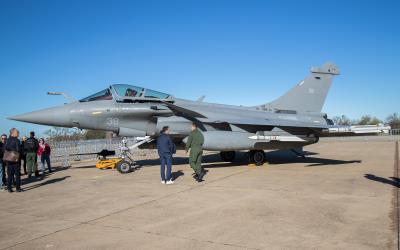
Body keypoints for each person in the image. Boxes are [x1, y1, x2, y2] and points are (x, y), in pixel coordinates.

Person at [4, 128, 22, 192]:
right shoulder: (17, 140)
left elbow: (5, 148)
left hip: (8, 158)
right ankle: (18, 188)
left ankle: (9, 188)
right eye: (17, 132)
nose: (18, 133)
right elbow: (18, 150)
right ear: (13, 133)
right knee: (17, 174)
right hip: (15, 158)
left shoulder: (7, 140)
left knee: (10, 174)